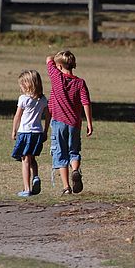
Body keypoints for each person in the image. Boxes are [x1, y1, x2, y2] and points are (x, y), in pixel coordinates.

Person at [46, 50, 93, 194]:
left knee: (60, 153)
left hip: (58, 122)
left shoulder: (56, 77)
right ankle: (75, 170)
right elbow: (86, 102)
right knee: (74, 151)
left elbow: (48, 59)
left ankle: (66, 187)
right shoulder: (80, 83)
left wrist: (55, 60)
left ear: (59, 66)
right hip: (74, 123)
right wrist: (89, 123)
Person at [11, 69, 50, 197]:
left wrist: (14, 131)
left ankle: (27, 188)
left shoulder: (23, 99)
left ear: (28, 84)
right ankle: (36, 177)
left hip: (25, 132)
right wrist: (45, 131)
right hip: (37, 132)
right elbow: (48, 116)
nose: (20, 87)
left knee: (25, 159)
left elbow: (17, 116)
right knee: (32, 157)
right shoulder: (43, 99)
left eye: (22, 84)